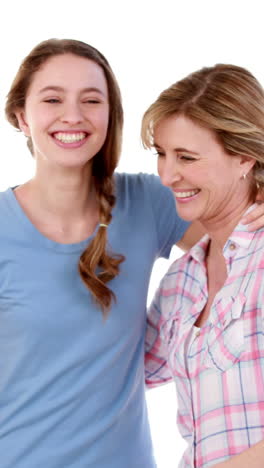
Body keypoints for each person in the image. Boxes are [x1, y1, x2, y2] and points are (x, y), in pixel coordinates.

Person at [1, 41, 264, 468]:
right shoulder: (2, 228)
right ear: (20, 116)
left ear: (110, 115)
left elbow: (235, 223)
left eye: (91, 99)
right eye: (52, 99)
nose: (73, 115)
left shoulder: (151, 202)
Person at [143, 64, 264, 468]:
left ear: (245, 156)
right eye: (162, 154)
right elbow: (120, 373)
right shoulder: (181, 281)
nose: (167, 175)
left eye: (187, 157)